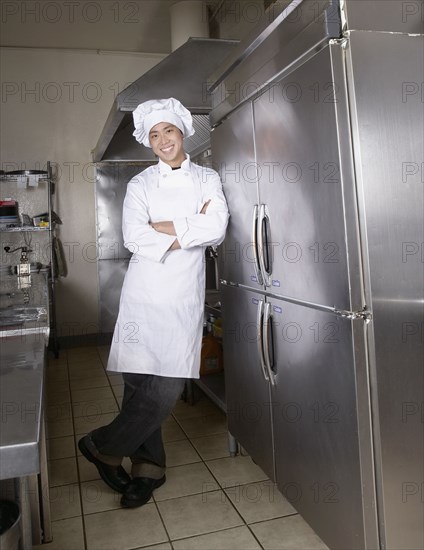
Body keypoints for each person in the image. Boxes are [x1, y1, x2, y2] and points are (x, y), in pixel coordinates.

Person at [78, 97, 229, 508]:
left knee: (168, 384)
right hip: (144, 294)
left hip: (182, 296)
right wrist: (188, 227)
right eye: (155, 133)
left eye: (170, 130)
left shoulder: (207, 178)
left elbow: (216, 226)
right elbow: (134, 237)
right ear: (148, 140)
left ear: (183, 132)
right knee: (140, 383)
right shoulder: (141, 184)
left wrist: (164, 227)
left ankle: (101, 445)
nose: (163, 139)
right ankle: (148, 468)